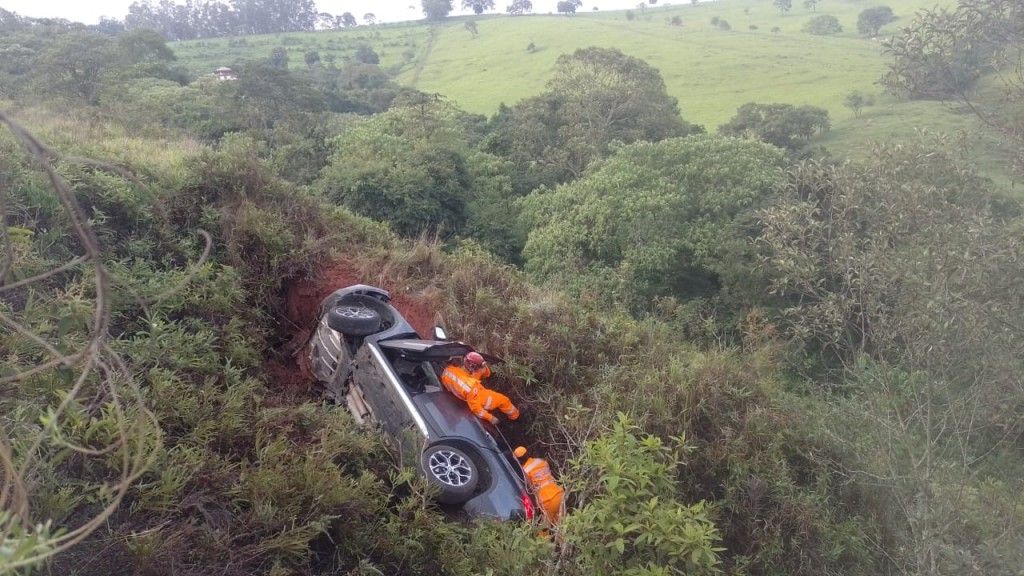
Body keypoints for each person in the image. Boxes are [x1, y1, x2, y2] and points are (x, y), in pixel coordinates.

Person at [441, 352, 520, 425]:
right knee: (504, 400)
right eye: (479, 367)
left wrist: (482, 368)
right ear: (472, 367)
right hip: (479, 397)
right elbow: (476, 409)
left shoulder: (448, 371)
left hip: (462, 389)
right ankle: (515, 417)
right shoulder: (471, 388)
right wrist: (491, 418)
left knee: (483, 372)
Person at [514, 446, 565, 525]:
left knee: (543, 531)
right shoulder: (540, 461)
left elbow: (529, 488)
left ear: (519, 461)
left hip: (548, 500)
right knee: (562, 526)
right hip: (560, 494)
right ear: (528, 453)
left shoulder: (525, 471)